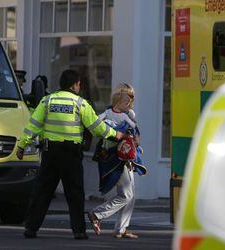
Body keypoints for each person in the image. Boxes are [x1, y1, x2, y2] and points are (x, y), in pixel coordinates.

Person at [16, 69, 123, 240]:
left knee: (42, 191)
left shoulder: (47, 101)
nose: (79, 86)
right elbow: (96, 127)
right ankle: (79, 231)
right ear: (75, 84)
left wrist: (22, 145)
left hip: (50, 153)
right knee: (75, 193)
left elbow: (33, 125)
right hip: (71, 155)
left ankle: (31, 228)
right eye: (79, 83)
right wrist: (115, 134)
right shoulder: (81, 103)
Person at [88, 83, 146, 239]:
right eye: (129, 98)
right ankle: (97, 214)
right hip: (116, 158)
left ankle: (121, 229)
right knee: (126, 195)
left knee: (130, 195)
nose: (131, 102)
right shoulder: (111, 116)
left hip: (126, 157)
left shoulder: (124, 114)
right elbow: (98, 128)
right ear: (121, 100)